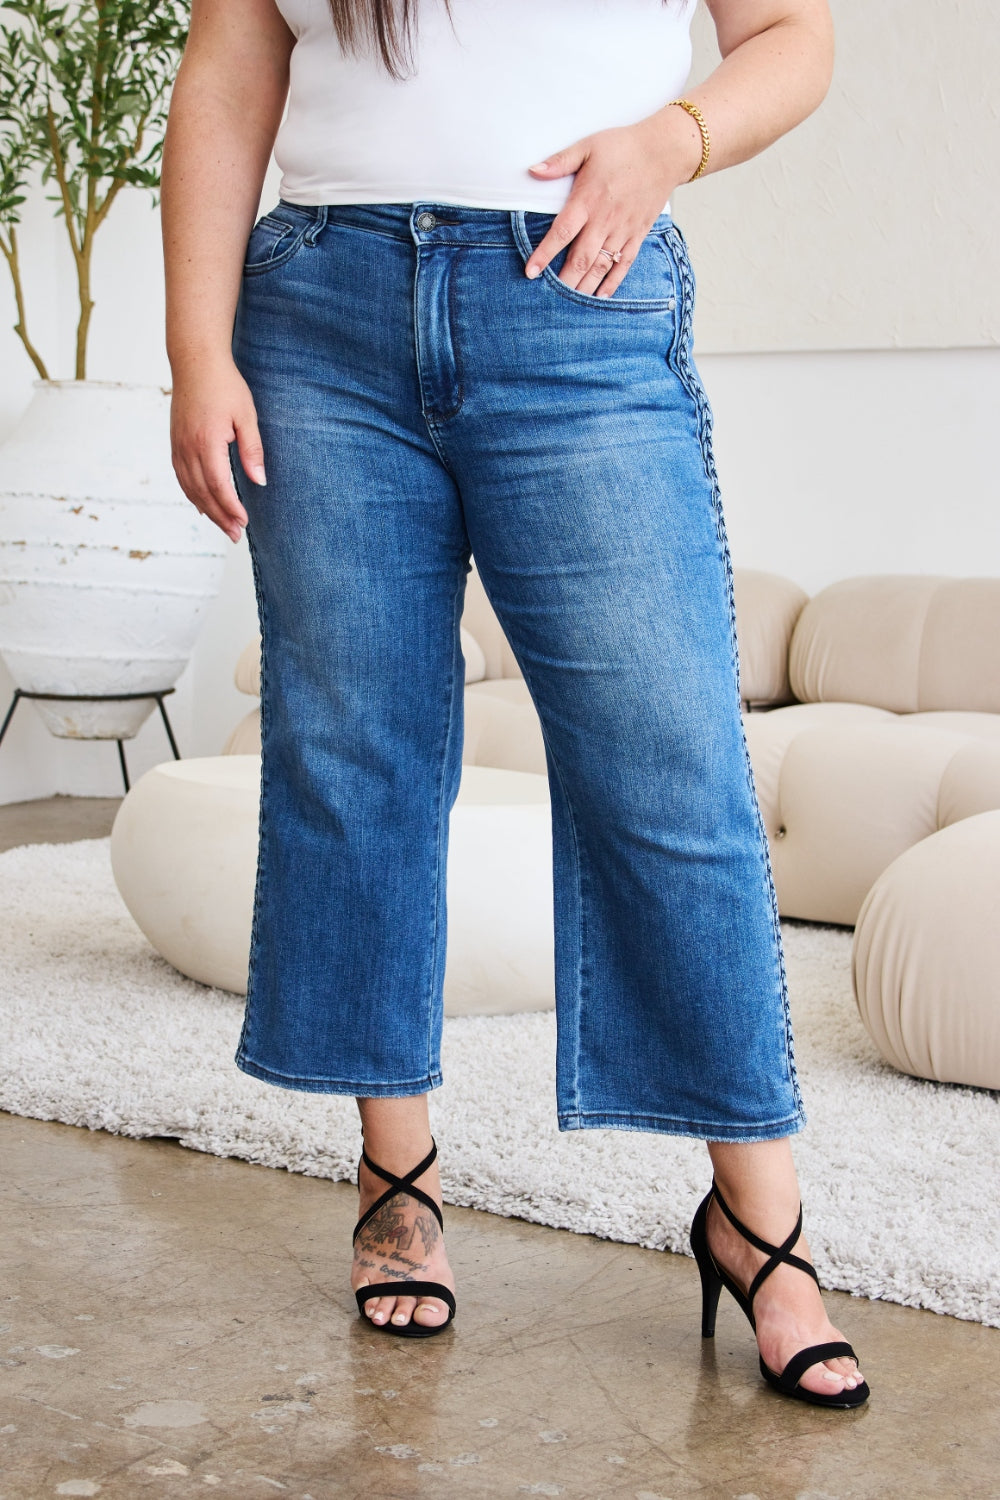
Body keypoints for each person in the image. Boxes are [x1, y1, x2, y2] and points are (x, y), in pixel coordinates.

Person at [162, 0, 869, 1407]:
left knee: (670, 771)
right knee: (356, 754)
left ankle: (760, 1221)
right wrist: (198, 349)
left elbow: (795, 34)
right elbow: (233, 58)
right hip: (318, 312)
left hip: (580, 302)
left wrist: (677, 139)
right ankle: (399, 1169)